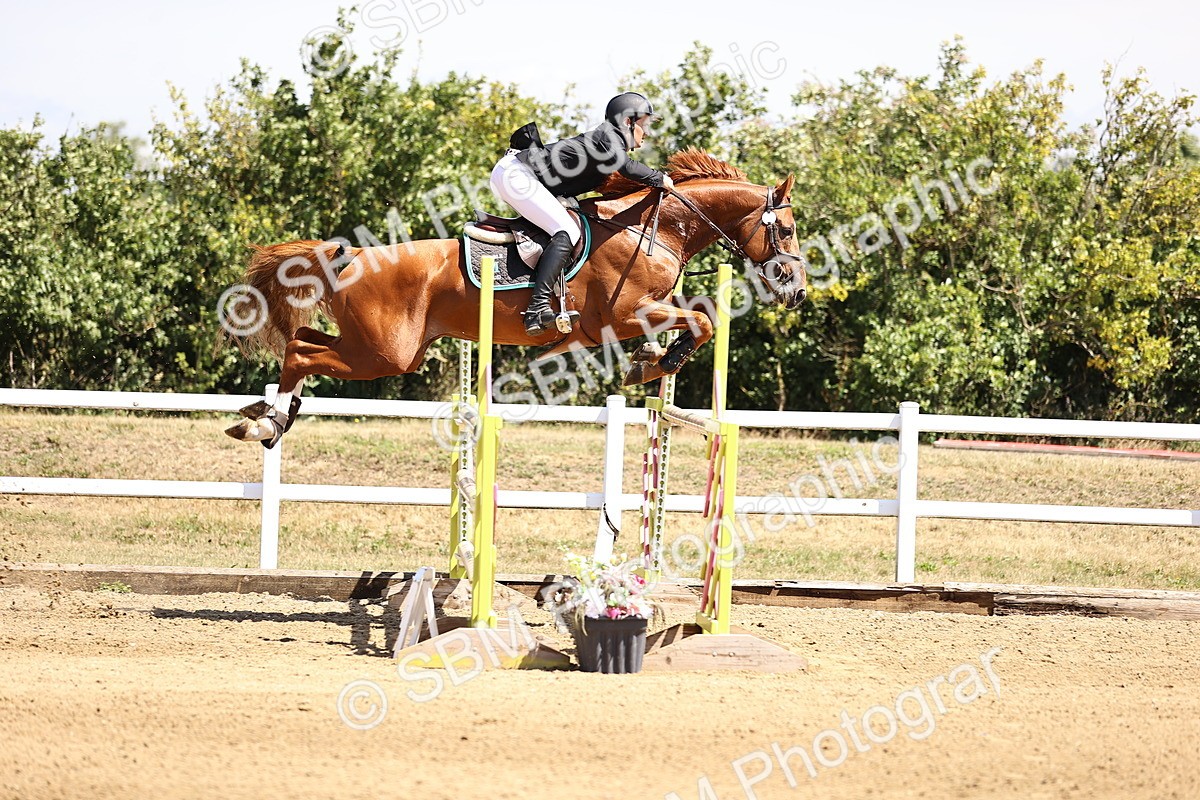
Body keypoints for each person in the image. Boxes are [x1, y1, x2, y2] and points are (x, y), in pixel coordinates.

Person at [490, 91, 675, 335]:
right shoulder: (608, 137)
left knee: (567, 225)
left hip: (520, 175)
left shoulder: (608, 140)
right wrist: (659, 178)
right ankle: (537, 308)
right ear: (628, 122)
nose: (647, 132)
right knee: (565, 229)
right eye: (644, 124)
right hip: (517, 175)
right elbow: (628, 168)